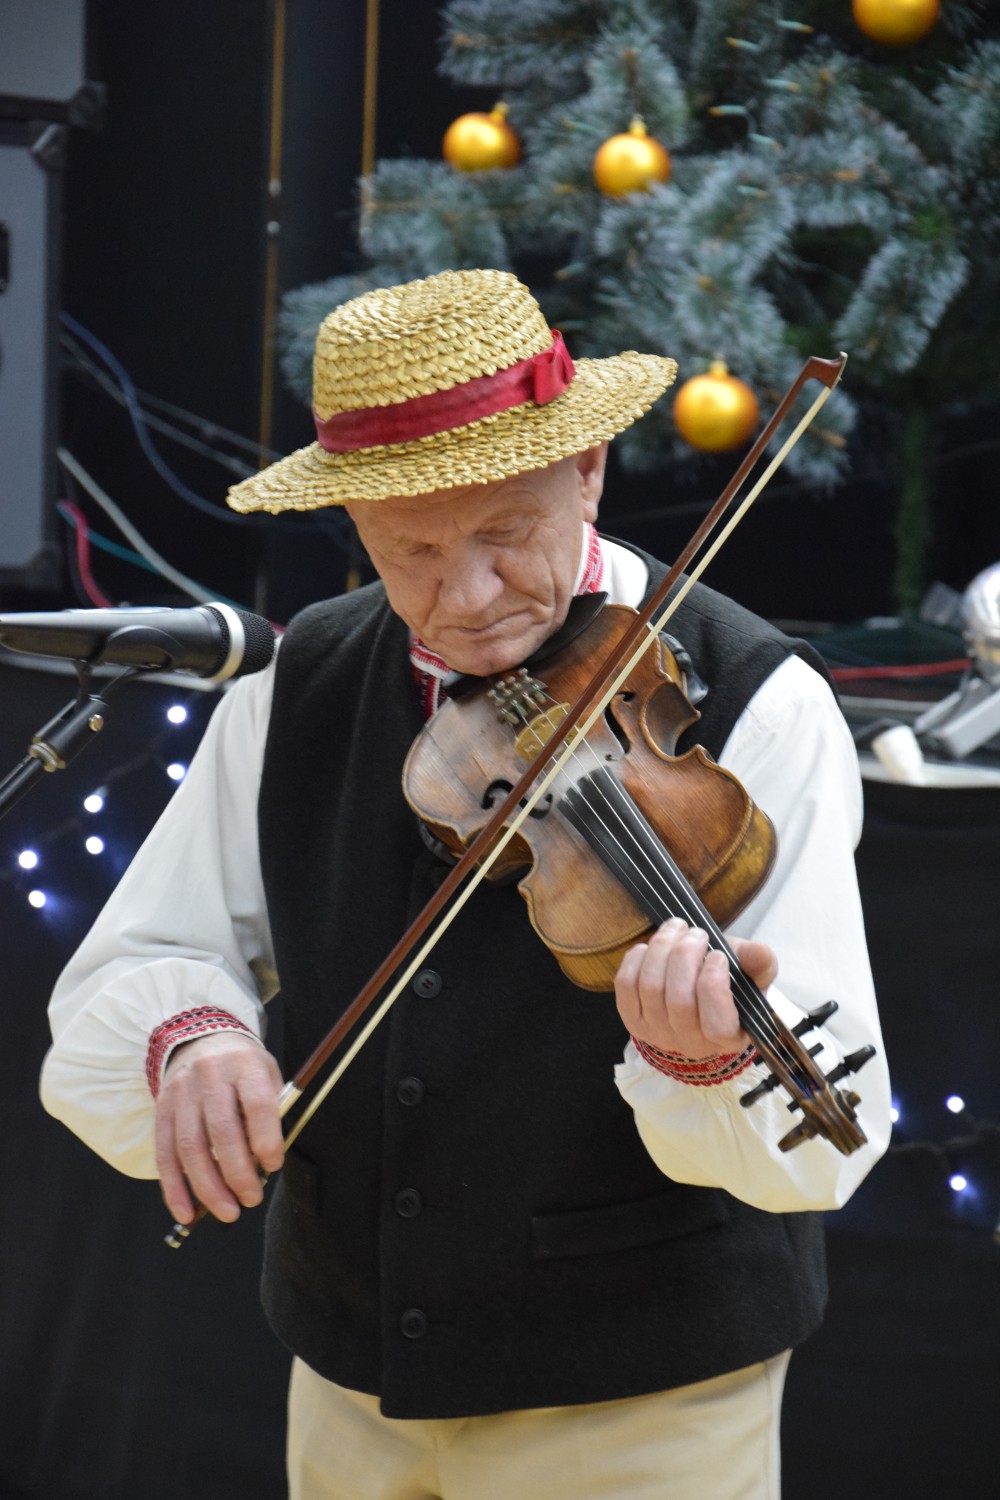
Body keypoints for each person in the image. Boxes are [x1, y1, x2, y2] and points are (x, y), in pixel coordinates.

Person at [41, 268, 891, 1500]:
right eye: (413, 552)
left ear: (587, 469)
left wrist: (703, 1062)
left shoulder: (757, 699)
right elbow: (145, 954)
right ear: (355, 526)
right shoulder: (292, 685)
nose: (468, 598)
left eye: (504, 534)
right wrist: (194, 1037)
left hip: (639, 1398)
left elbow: (821, 1142)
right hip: (352, 1374)